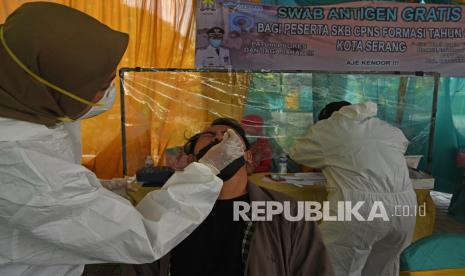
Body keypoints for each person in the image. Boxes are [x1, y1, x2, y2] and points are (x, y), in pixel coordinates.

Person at [0, 3, 245, 276]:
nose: (108, 94)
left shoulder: (24, 104)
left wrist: (104, 187)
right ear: (54, 90)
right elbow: (141, 236)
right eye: (101, 86)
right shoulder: (23, 162)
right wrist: (205, 173)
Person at [123, 118, 335, 276]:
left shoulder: (287, 213)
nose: (219, 138)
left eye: (229, 136)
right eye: (209, 135)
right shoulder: (167, 207)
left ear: (248, 156)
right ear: (191, 160)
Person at [284, 101, 417, 276]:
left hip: (360, 209)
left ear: (326, 118)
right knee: (384, 268)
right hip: (405, 208)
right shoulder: (386, 128)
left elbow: (297, 152)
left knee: (337, 267)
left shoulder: (329, 127)